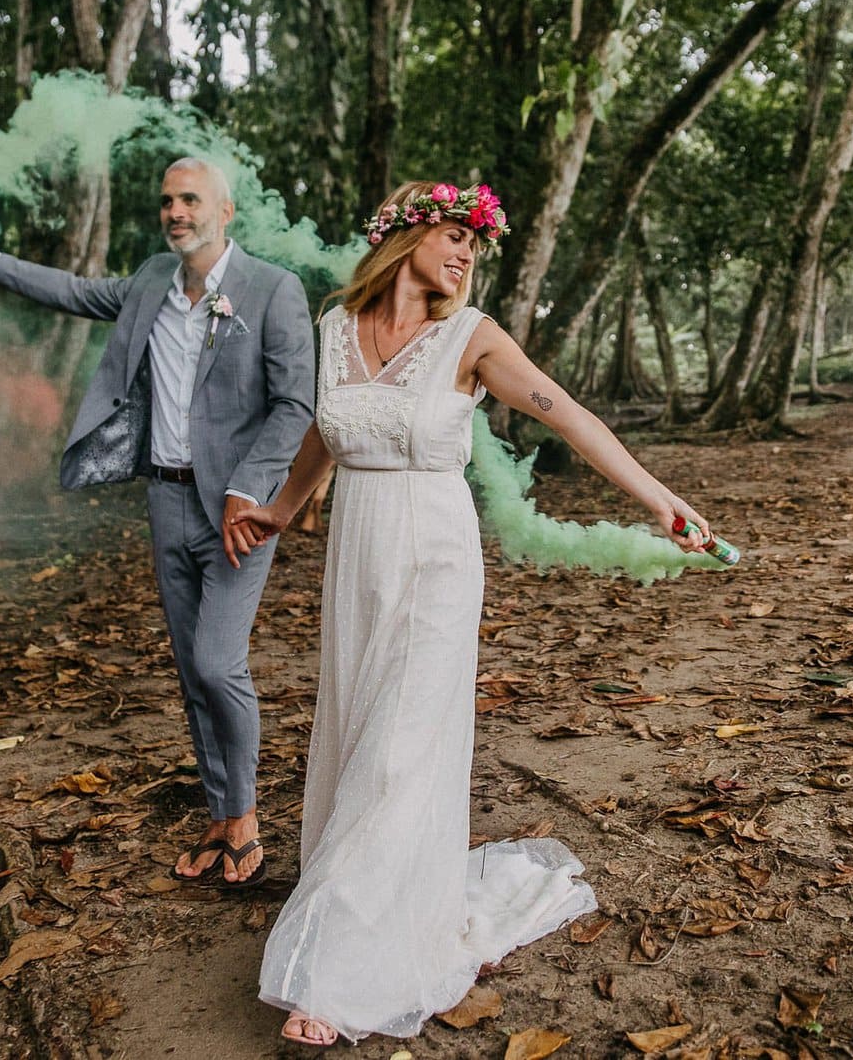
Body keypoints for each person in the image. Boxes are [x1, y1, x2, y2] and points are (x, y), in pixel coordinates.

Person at [231, 180, 713, 1046]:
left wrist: (660, 499)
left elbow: (566, 415)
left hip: (436, 555)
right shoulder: (334, 327)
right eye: (453, 235)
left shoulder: (472, 335)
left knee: (400, 749)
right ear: (404, 236)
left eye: (474, 244)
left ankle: (340, 976)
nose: (464, 254)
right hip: (357, 557)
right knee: (359, 736)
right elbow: (326, 431)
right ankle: (386, 902)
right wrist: (281, 506)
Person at [0, 157, 315, 888]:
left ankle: (245, 818)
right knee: (188, 668)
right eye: (168, 200)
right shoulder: (150, 281)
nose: (176, 212)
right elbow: (76, 291)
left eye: (190, 200)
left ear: (225, 210)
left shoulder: (274, 289)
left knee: (217, 661)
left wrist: (251, 489)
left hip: (238, 510)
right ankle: (218, 812)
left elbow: (296, 402)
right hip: (165, 500)